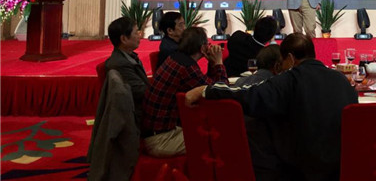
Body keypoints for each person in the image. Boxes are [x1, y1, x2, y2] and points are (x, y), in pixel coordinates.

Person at [186, 33, 357, 181]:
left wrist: (206, 90)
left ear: (290, 59)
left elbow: (249, 95)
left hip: (301, 168)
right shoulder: (341, 80)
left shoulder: (290, 79)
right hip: (340, 166)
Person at [141, 27, 227, 157]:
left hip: (158, 132)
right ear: (203, 48)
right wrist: (219, 62)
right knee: (220, 138)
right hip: (162, 140)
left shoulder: (175, 58)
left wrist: (212, 62)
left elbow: (207, 85)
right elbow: (220, 91)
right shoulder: (186, 68)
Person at [105, 17, 150, 128]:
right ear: (124, 39)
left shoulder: (130, 57)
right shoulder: (120, 64)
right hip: (137, 118)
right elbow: (142, 92)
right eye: (136, 33)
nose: (139, 35)